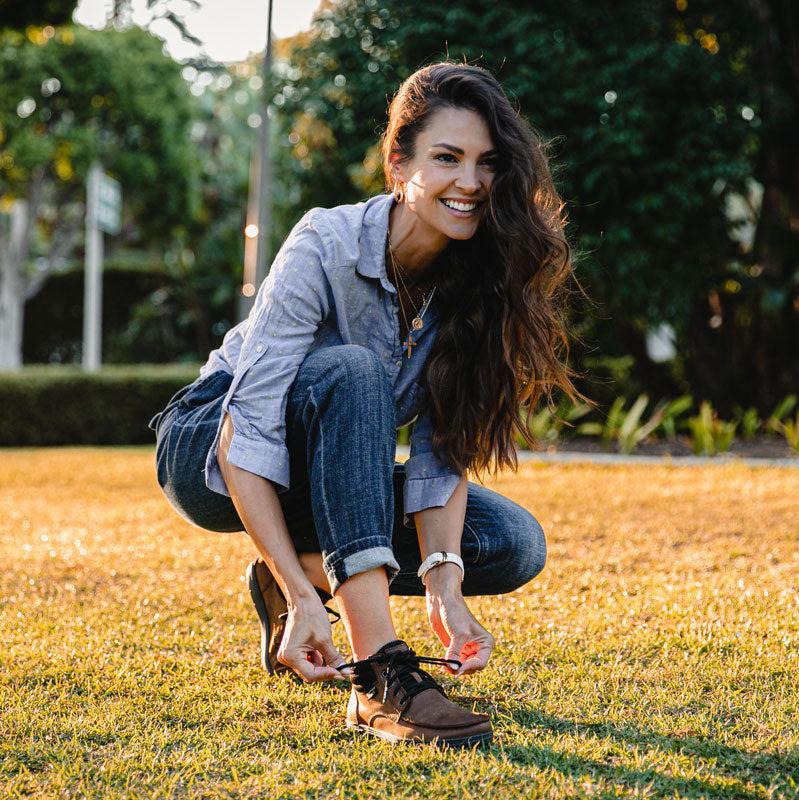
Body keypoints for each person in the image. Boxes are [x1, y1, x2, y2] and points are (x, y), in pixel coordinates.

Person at [148, 61, 591, 748]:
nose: (470, 183)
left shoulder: (477, 283)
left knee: (507, 543)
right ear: (397, 163)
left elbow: (440, 454)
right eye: (446, 158)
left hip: (329, 476)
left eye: (487, 163)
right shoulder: (325, 243)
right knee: (351, 370)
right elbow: (249, 429)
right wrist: (303, 598)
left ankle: (298, 573)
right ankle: (379, 678)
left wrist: (445, 587)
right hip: (211, 446)